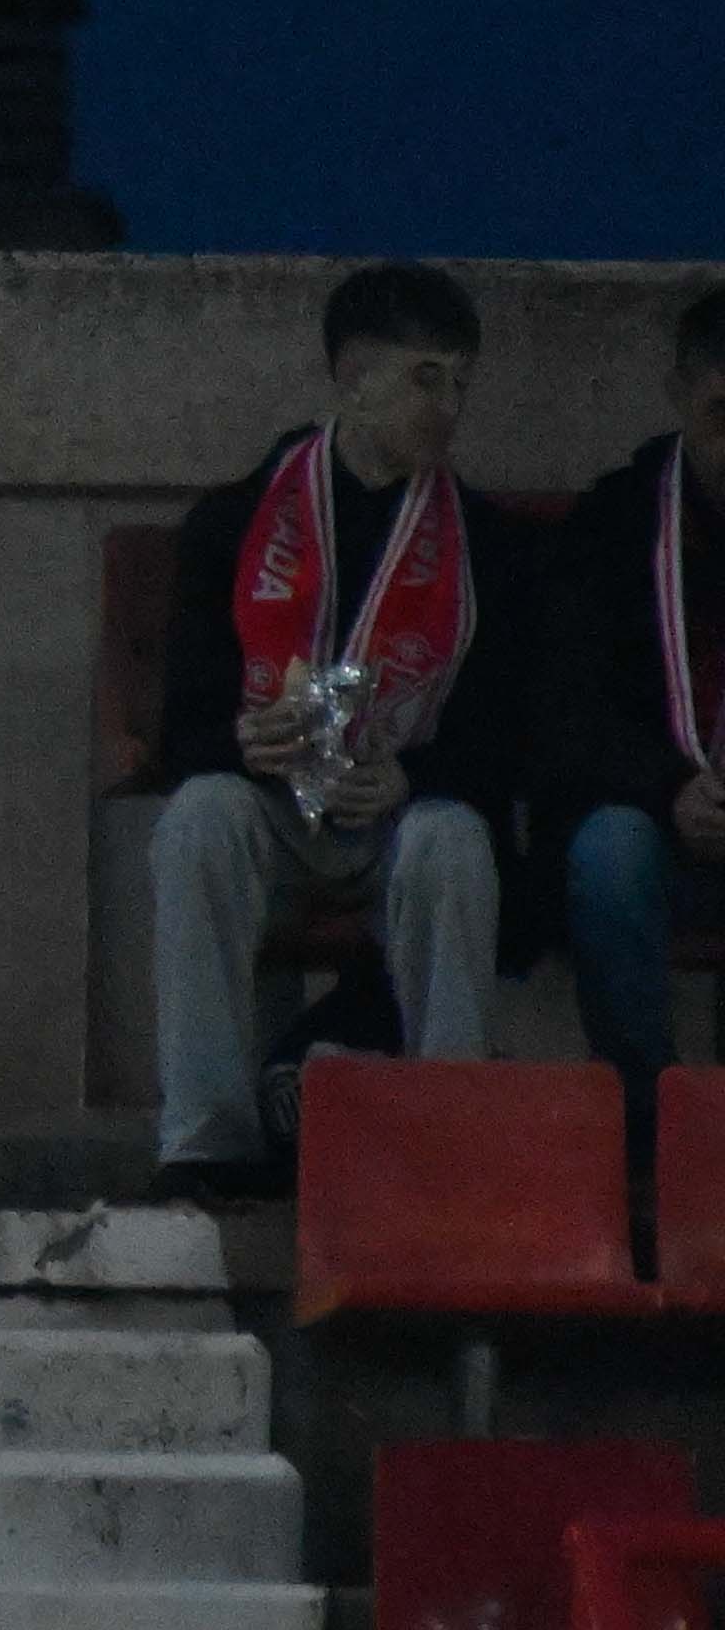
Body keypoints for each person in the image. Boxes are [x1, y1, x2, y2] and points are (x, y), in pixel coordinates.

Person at [145, 259, 523, 1195]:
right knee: (198, 817)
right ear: (351, 380)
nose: (448, 409)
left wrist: (414, 775)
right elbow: (179, 727)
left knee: (454, 841)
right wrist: (240, 741)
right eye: (423, 379)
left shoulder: (487, 545)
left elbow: (508, 738)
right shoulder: (235, 522)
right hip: (272, 817)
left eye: (461, 383)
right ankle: (209, 1143)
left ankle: (449, 1143)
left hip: (393, 818)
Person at [547, 279, 725, 1092]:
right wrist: (670, 788)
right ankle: (644, 1115)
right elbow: (571, 709)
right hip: (655, 817)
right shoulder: (618, 522)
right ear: (680, 395)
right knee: (608, 853)